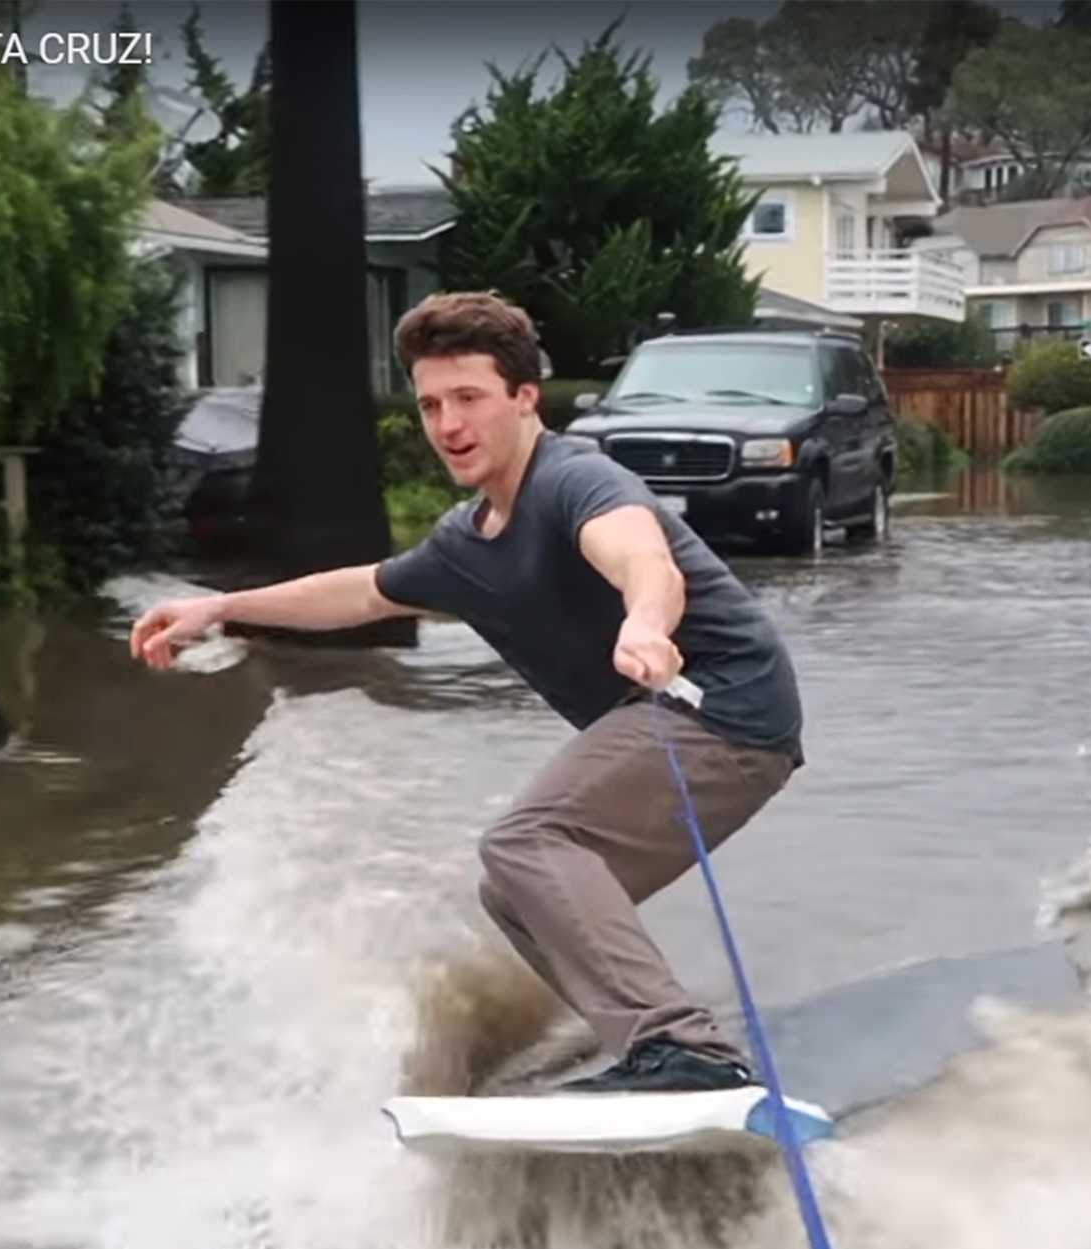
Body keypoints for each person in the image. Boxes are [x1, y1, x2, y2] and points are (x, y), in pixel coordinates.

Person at [130, 291, 805, 1094]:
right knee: (516, 890)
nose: (448, 423)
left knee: (528, 843)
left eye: (469, 399)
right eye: (430, 404)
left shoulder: (574, 481)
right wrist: (224, 608)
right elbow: (363, 593)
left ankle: (679, 1049)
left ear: (524, 398)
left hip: (719, 703)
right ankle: (648, 1046)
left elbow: (639, 556)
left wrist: (646, 623)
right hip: (693, 725)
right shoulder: (468, 541)